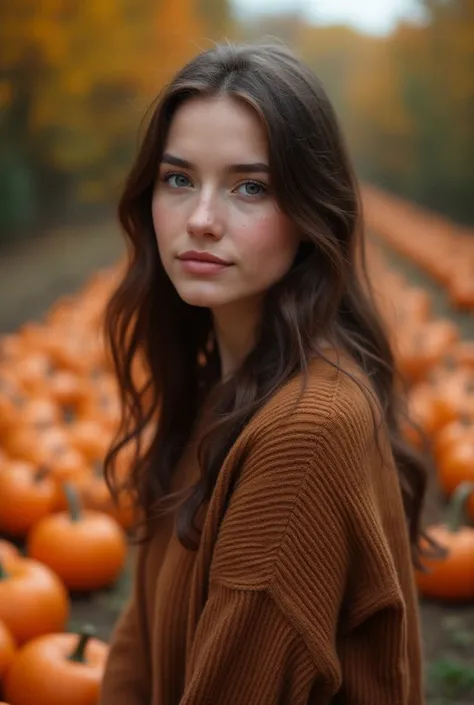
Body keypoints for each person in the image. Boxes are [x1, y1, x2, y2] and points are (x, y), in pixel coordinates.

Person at [99, 41, 429, 705]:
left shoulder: (304, 433)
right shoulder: (219, 386)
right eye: (179, 178)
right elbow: (137, 648)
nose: (200, 219)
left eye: (251, 187)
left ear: (312, 214)